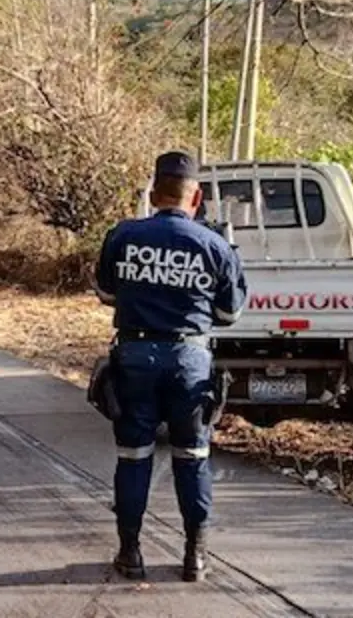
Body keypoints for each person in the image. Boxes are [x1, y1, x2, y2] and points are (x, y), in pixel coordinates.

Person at [92, 150, 247, 582]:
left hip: (135, 358)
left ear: (153, 192)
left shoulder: (122, 235)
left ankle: (130, 553)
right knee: (193, 457)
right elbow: (230, 313)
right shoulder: (216, 246)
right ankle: (195, 557)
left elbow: (105, 292)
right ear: (195, 198)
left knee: (133, 456)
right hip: (190, 362)